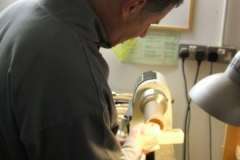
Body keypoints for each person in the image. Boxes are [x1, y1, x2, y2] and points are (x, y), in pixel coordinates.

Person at [0, 0, 183, 159]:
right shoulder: (75, 72)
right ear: (132, 6)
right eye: (150, 23)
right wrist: (135, 144)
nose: (143, 33)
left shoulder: (17, 11)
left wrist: (98, 144)